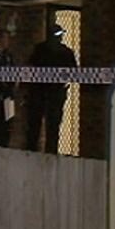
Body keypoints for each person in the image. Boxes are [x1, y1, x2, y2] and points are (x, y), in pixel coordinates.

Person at [26, 24, 77, 154]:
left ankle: (38, 151)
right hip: (43, 92)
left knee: (45, 124)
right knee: (40, 124)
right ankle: (41, 151)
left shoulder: (58, 51)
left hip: (48, 92)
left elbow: (73, 72)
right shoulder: (46, 50)